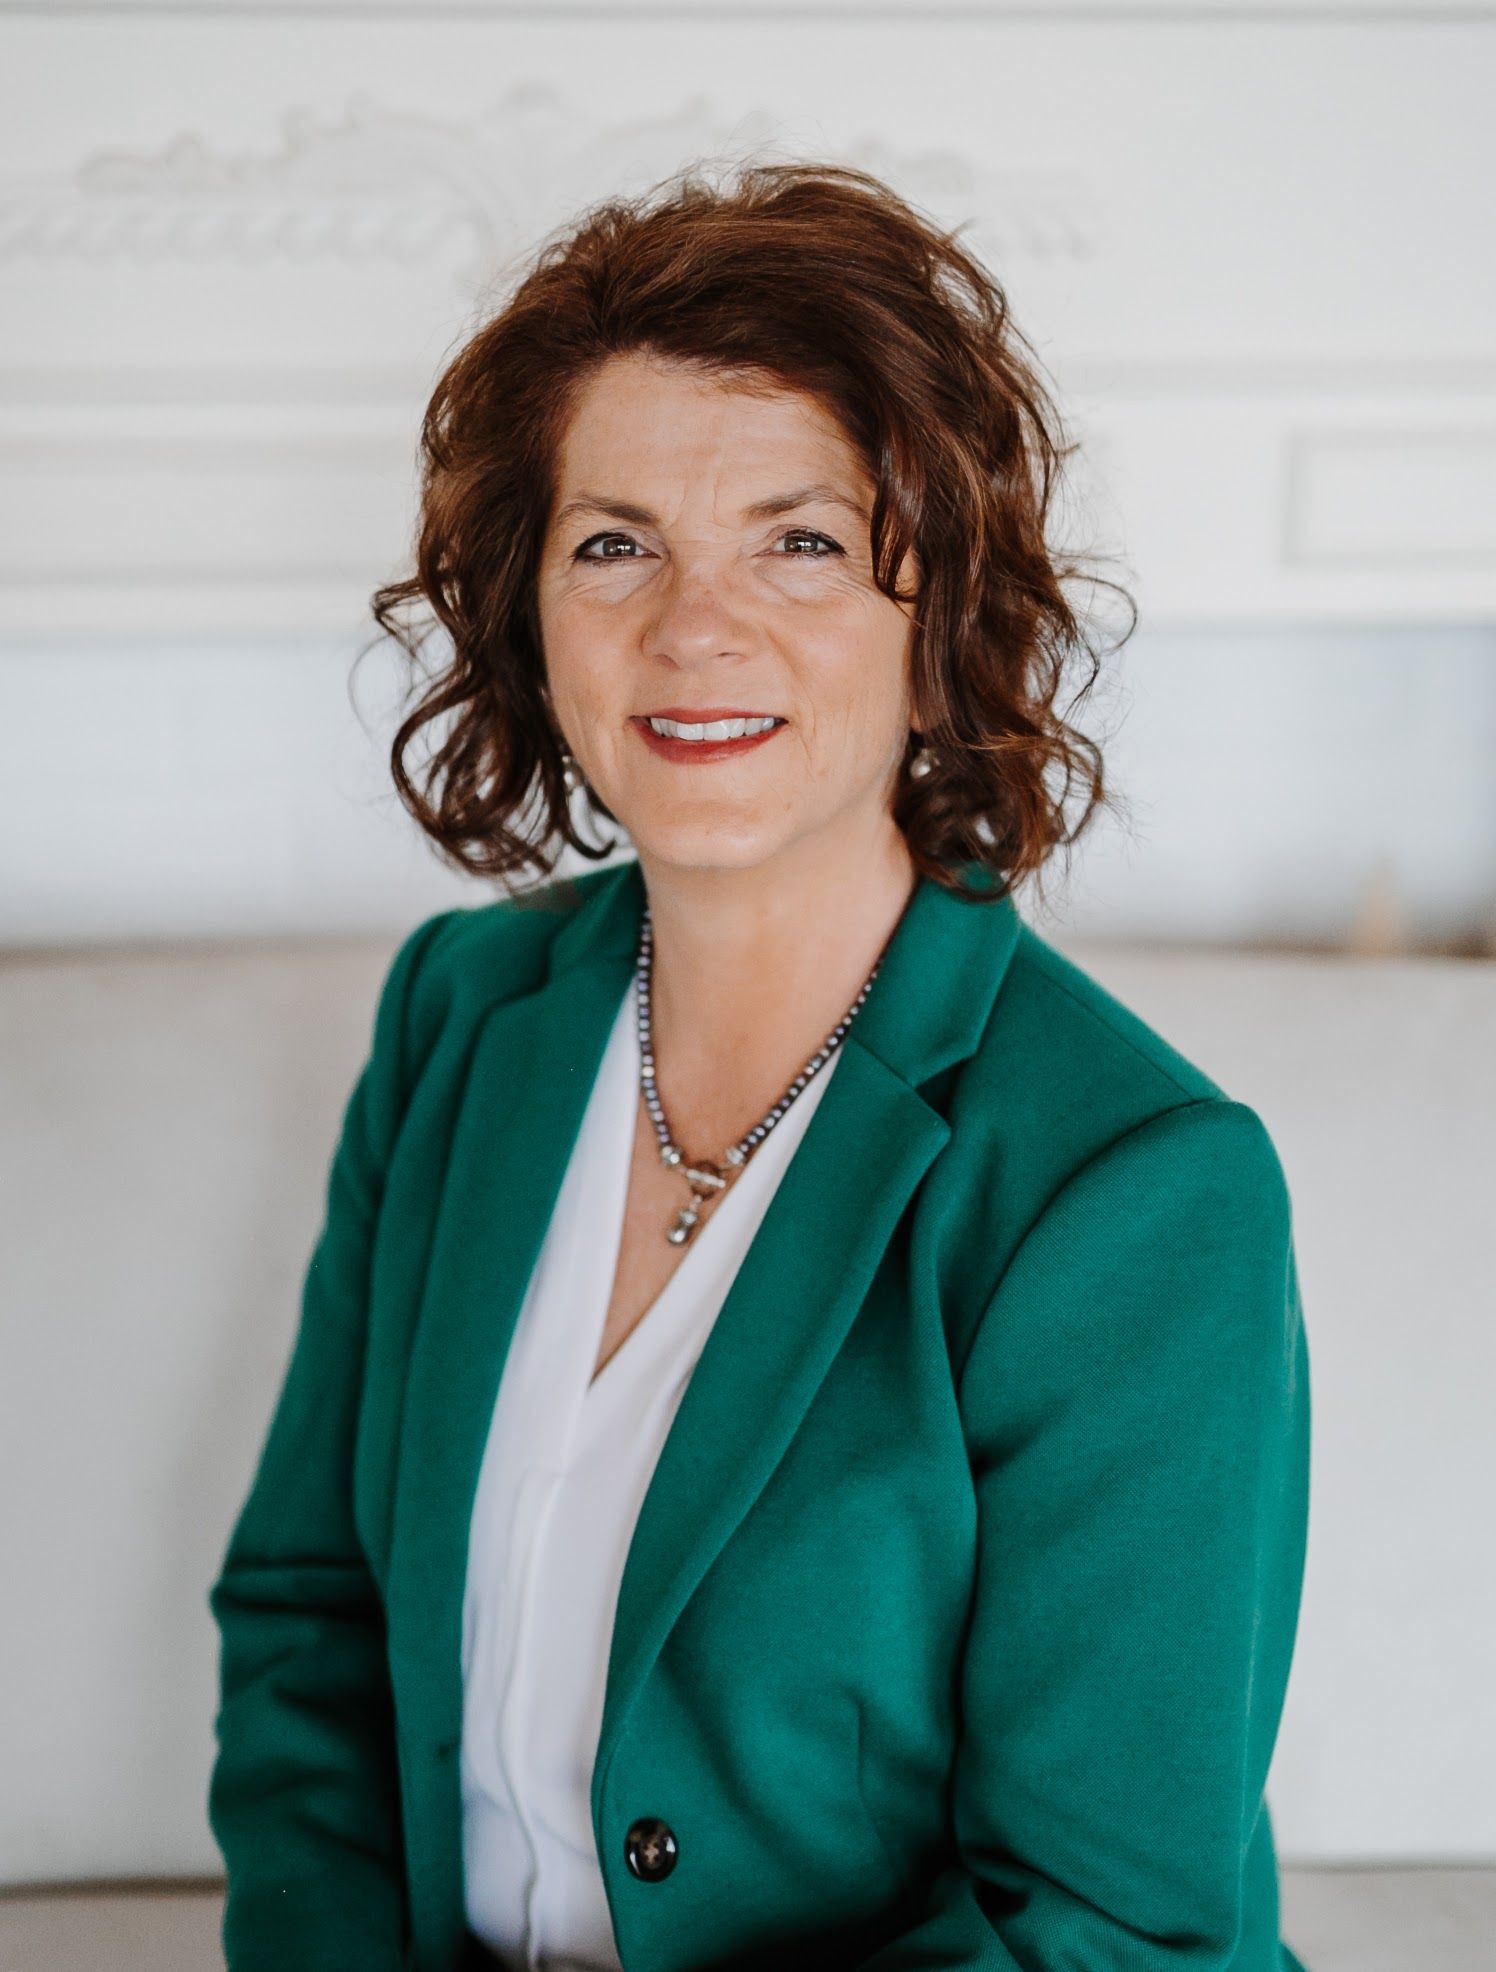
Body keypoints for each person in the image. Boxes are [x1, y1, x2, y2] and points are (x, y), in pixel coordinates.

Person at [206, 160, 1312, 1972]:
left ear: (935, 603)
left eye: (798, 540)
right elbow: (309, 1618)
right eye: (614, 541)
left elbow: (1103, 1923)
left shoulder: (1132, 1184)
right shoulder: (458, 1023)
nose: (693, 625)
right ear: (530, 611)